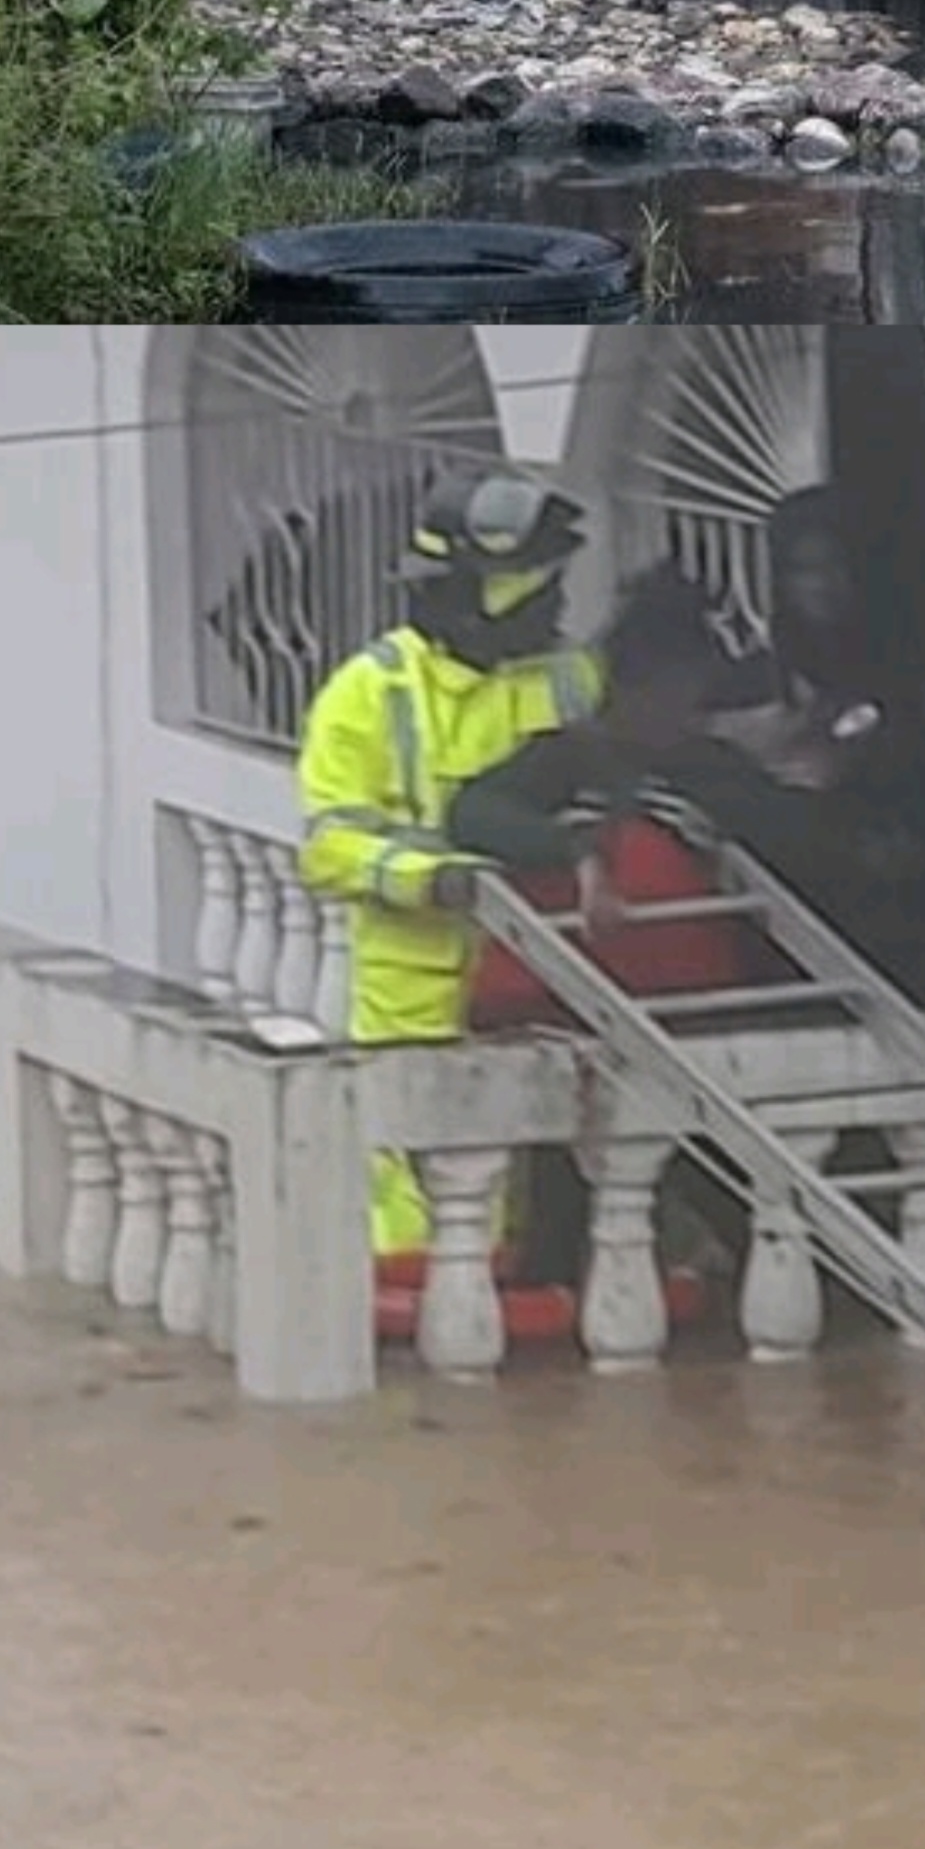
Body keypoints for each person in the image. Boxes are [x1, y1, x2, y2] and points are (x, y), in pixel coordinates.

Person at [293, 471, 606, 1260]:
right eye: (535, 590)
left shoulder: (574, 679)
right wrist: (436, 877)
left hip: (555, 975)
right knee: (423, 1203)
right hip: (415, 988)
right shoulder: (366, 692)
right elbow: (329, 844)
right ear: (470, 593)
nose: (553, 608)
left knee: (562, 1182)